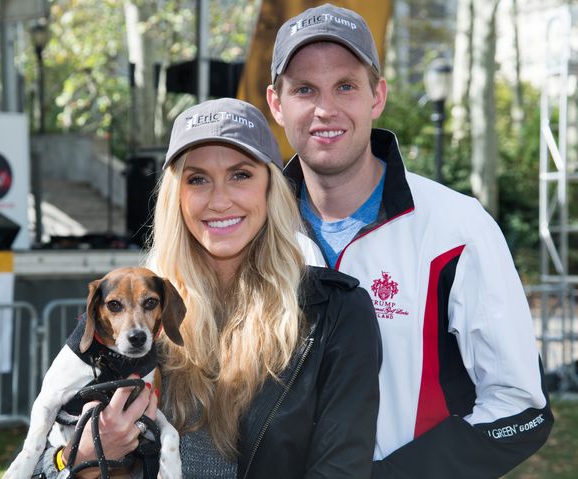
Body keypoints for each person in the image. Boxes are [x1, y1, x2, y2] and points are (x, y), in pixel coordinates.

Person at [265, 4, 553, 478]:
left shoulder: (457, 228)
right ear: (277, 104)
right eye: (304, 90)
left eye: (345, 86)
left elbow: (520, 408)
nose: (325, 109)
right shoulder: (252, 231)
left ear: (377, 96)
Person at [31, 98, 382, 478]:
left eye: (240, 174)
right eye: (197, 179)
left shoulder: (334, 311)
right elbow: (39, 468)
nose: (219, 200)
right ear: (175, 198)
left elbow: (341, 469)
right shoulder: (127, 312)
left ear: (270, 188)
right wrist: (83, 456)